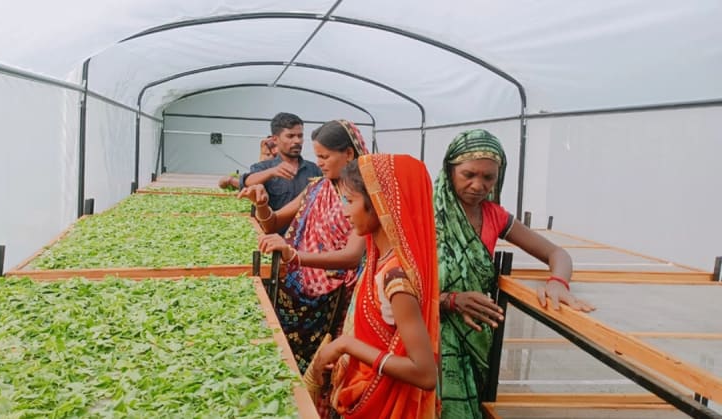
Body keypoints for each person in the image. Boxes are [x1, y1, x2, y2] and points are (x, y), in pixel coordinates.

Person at [434, 129, 595, 418]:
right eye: (468, 174)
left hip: (476, 334)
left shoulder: (495, 216)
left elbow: (557, 254)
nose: (478, 185)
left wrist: (558, 283)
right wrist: (449, 300)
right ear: (449, 169)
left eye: (488, 177)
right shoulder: (425, 211)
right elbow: (395, 279)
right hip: (428, 334)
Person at [308, 154, 440, 419]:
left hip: (383, 406)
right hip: (364, 393)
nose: (344, 211)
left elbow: (425, 374)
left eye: (350, 200)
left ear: (380, 204)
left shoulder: (396, 280)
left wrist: (347, 345)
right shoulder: (378, 258)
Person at [238, 120, 369, 377]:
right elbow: (273, 222)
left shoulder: (364, 197)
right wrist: (261, 204)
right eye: (317, 156)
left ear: (349, 154)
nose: (319, 162)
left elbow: (353, 256)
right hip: (298, 293)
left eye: (324, 156)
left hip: (337, 298)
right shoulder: (316, 187)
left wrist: (295, 256)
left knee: (326, 370)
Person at [241, 112, 322, 219]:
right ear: (275, 139)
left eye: (300, 136)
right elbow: (247, 182)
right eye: (290, 136)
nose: (297, 141)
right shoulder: (263, 168)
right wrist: (272, 172)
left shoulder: (314, 169)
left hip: (306, 233)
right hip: (274, 232)